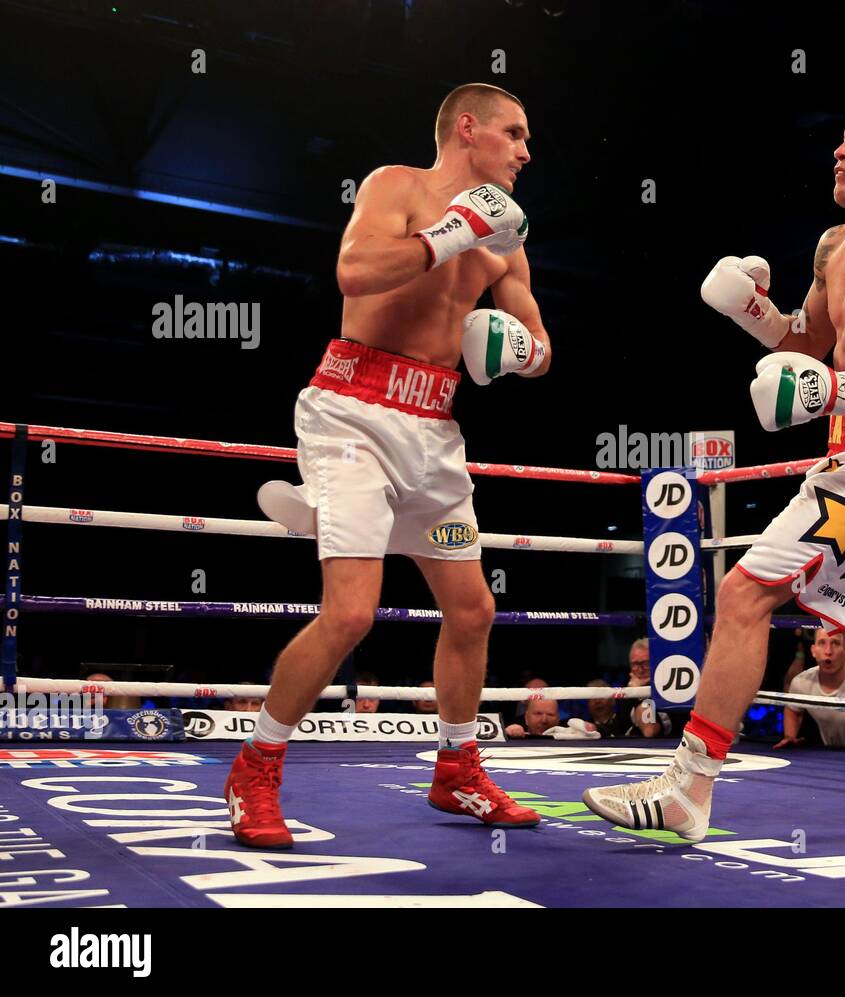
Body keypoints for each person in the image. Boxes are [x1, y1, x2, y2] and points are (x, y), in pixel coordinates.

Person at [584, 93, 845, 842]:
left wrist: (844, 388)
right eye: (841, 138)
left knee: (744, 592)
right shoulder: (834, 247)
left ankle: (689, 788)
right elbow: (804, 351)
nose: (840, 151)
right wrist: (753, 312)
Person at [225, 82, 552, 848]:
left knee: (472, 609)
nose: (526, 151)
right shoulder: (395, 186)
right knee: (350, 612)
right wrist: (449, 232)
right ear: (467, 130)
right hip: (353, 417)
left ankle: (457, 767)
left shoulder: (507, 234)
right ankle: (256, 763)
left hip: (432, 436)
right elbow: (355, 273)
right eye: (515, 133)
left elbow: (541, 342)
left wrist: (517, 352)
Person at [775, 628, 845, 748]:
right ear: (813, 651)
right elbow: (792, 709)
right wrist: (790, 737)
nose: (828, 651)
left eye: (836, 643)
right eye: (822, 643)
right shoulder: (802, 682)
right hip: (831, 752)